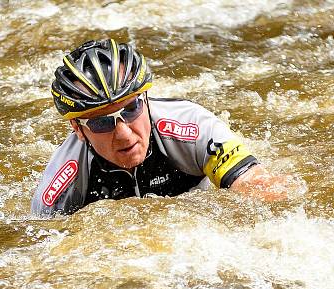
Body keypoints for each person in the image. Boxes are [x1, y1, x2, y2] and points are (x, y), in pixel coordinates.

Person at [31, 39, 291, 217]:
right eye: (101, 122)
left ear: (145, 99)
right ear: (78, 128)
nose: (123, 133)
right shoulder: (64, 179)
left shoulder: (191, 126)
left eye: (131, 109)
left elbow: (263, 189)